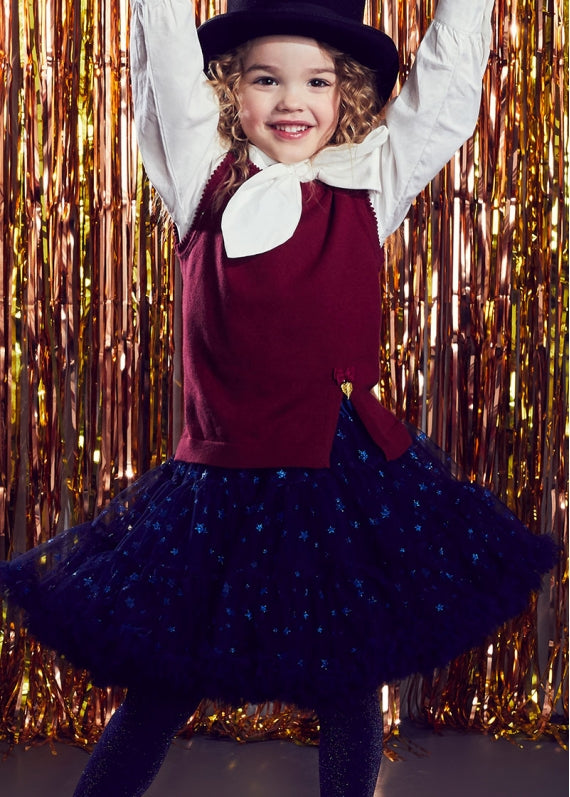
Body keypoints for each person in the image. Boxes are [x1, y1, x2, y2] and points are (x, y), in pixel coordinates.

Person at [0, 0, 557, 795]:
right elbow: (165, 59)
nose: (293, 101)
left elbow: (443, 91)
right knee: (162, 687)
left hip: (342, 481)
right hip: (218, 490)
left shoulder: (372, 182)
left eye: (317, 81)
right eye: (266, 79)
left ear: (347, 93)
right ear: (228, 89)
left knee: (350, 685)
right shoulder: (202, 176)